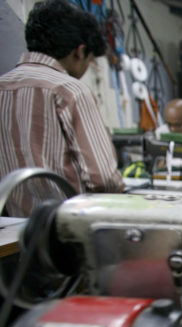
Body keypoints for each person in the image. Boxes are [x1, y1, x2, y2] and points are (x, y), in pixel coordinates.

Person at [0, 0, 123, 217]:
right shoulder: (70, 91)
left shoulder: (3, 87)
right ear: (80, 51)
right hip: (66, 230)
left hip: (13, 233)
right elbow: (104, 179)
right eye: (90, 60)